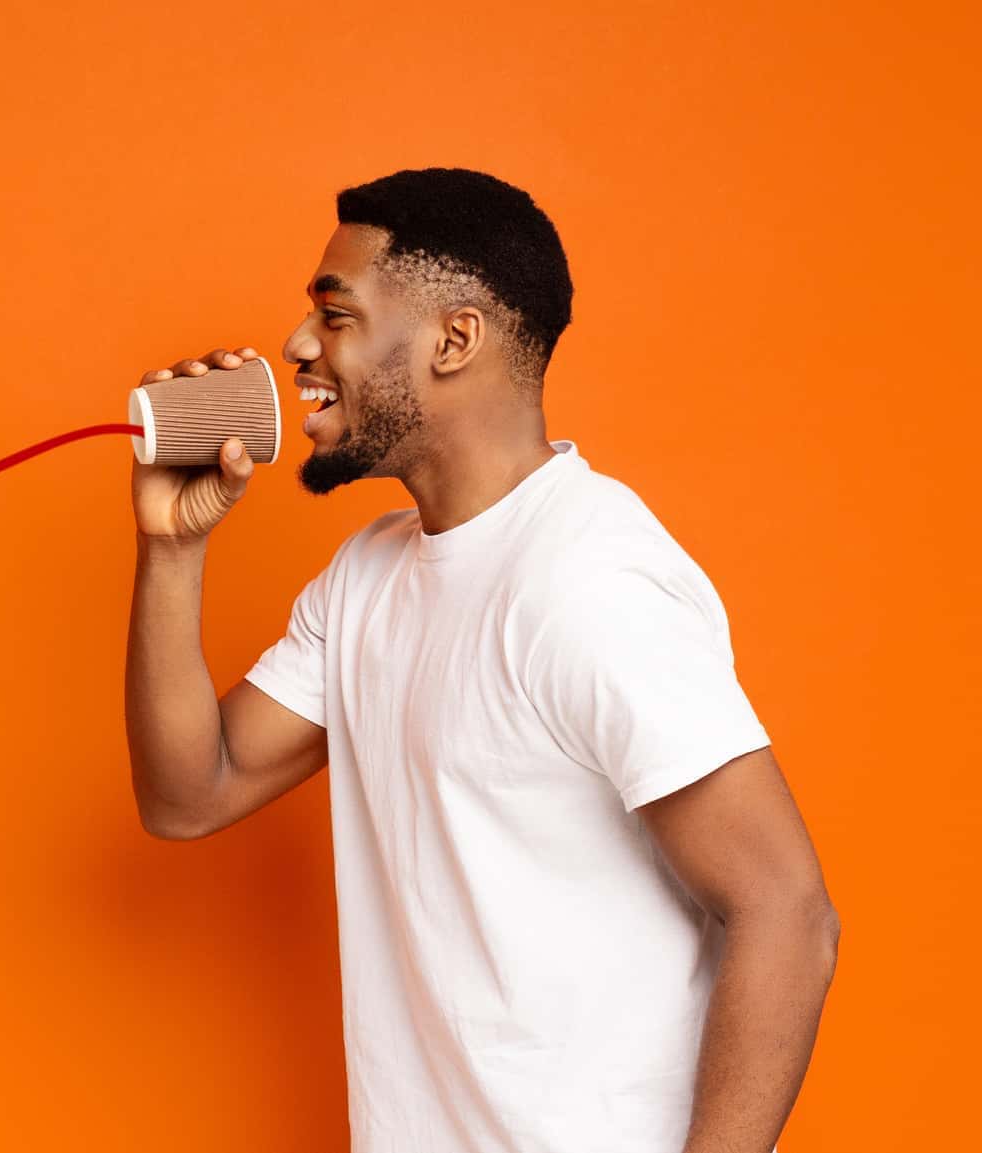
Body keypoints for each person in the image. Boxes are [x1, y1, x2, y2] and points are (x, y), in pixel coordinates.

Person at [122, 168, 836, 1153]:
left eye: (335, 314)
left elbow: (787, 912)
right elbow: (188, 794)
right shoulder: (367, 576)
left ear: (454, 340)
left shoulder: (589, 580)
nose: (297, 345)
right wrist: (172, 548)